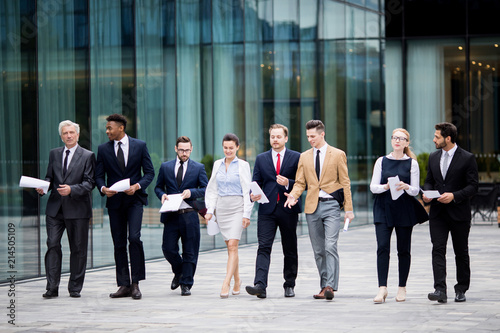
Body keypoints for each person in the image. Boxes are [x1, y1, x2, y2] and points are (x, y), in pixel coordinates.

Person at [284, 120, 354, 301]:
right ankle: (324, 286)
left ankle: (330, 285)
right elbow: (300, 182)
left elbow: (345, 182)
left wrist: (349, 209)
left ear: (322, 134)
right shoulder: (304, 157)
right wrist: (293, 195)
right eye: (308, 136)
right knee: (318, 250)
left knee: (330, 245)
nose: (310, 140)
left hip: (331, 205)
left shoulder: (338, 154)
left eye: (313, 136)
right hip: (312, 206)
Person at [95, 113, 155, 300]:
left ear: (121, 128)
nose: (107, 131)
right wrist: (104, 188)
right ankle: (124, 284)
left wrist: (137, 186)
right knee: (119, 243)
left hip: (134, 200)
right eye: (106, 128)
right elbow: (98, 176)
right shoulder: (103, 149)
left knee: (134, 238)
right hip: (115, 202)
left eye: (109, 128)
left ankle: (136, 283)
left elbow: (150, 173)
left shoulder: (140, 145)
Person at [37, 120, 95, 298]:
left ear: (77, 135)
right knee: (52, 244)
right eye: (65, 133)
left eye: (71, 132)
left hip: (78, 209)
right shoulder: (54, 154)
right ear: (61, 136)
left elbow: (89, 182)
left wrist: (72, 190)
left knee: (78, 249)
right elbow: (49, 177)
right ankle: (52, 287)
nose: (68, 136)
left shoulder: (87, 155)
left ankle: (75, 287)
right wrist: (43, 187)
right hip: (55, 209)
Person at [369, 128, 428, 303]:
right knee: (382, 248)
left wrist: (406, 187)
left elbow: (416, 190)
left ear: (407, 143)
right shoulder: (381, 161)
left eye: (401, 139)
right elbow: (373, 187)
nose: (397, 141)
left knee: (403, 250)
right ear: (391, 140)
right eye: (395, 137)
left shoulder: (412, 163)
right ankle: (382, 288)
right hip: (383, 208)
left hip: (404, 209)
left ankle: (402, 288)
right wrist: (385, 187)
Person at [423, 122, 478, 303]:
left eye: (437, 136)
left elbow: (473, 186)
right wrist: (427, 194)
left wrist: (454, 195)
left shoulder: (467, 158)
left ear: (448, 138)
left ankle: (461, 288)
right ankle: (440, 290)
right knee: (437, 249)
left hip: (459, 213)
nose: (434, 139)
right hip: (438, 213)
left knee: (461, 252)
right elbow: (429, 181)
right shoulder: (433, 157)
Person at [246, 124, 301, 299]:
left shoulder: (296, 157)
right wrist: (252, 195)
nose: (275, 140)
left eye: (278, 137)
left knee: (290, 247)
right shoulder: (261, 158)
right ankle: (260, 285)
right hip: (266, 210)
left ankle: (289, 284)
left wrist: (287, 183)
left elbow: (302, 182)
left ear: (286, 138)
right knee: (263, 247)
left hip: (288, 208)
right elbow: (256, 181)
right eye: (272, 137)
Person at [154, 136, 208, 296]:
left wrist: (192, 192)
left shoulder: (199, 168)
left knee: (190, 250)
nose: (184, 153)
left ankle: (186, 284)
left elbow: (206, 189)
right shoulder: (165, 167)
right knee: (168, 249)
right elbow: (158, 187)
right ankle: (179, 272)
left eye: (187, 150)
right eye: (181, 150)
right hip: (171, 214)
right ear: (176, 149)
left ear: (191, 149)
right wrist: (162, 195)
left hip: (189, 215)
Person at [205, 133, 253, 298]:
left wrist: (247, 213)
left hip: (237, 207)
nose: (228, 150)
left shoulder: (243, 165)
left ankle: (226, 283)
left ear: (237, 147)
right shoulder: (217, 164)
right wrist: (210, 210)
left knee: (233, 245)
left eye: (231, 148)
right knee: (230, 248)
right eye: (225, 148)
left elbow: (248, 191)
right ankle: (237, 279)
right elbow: (212, 189)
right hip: (222, 208)